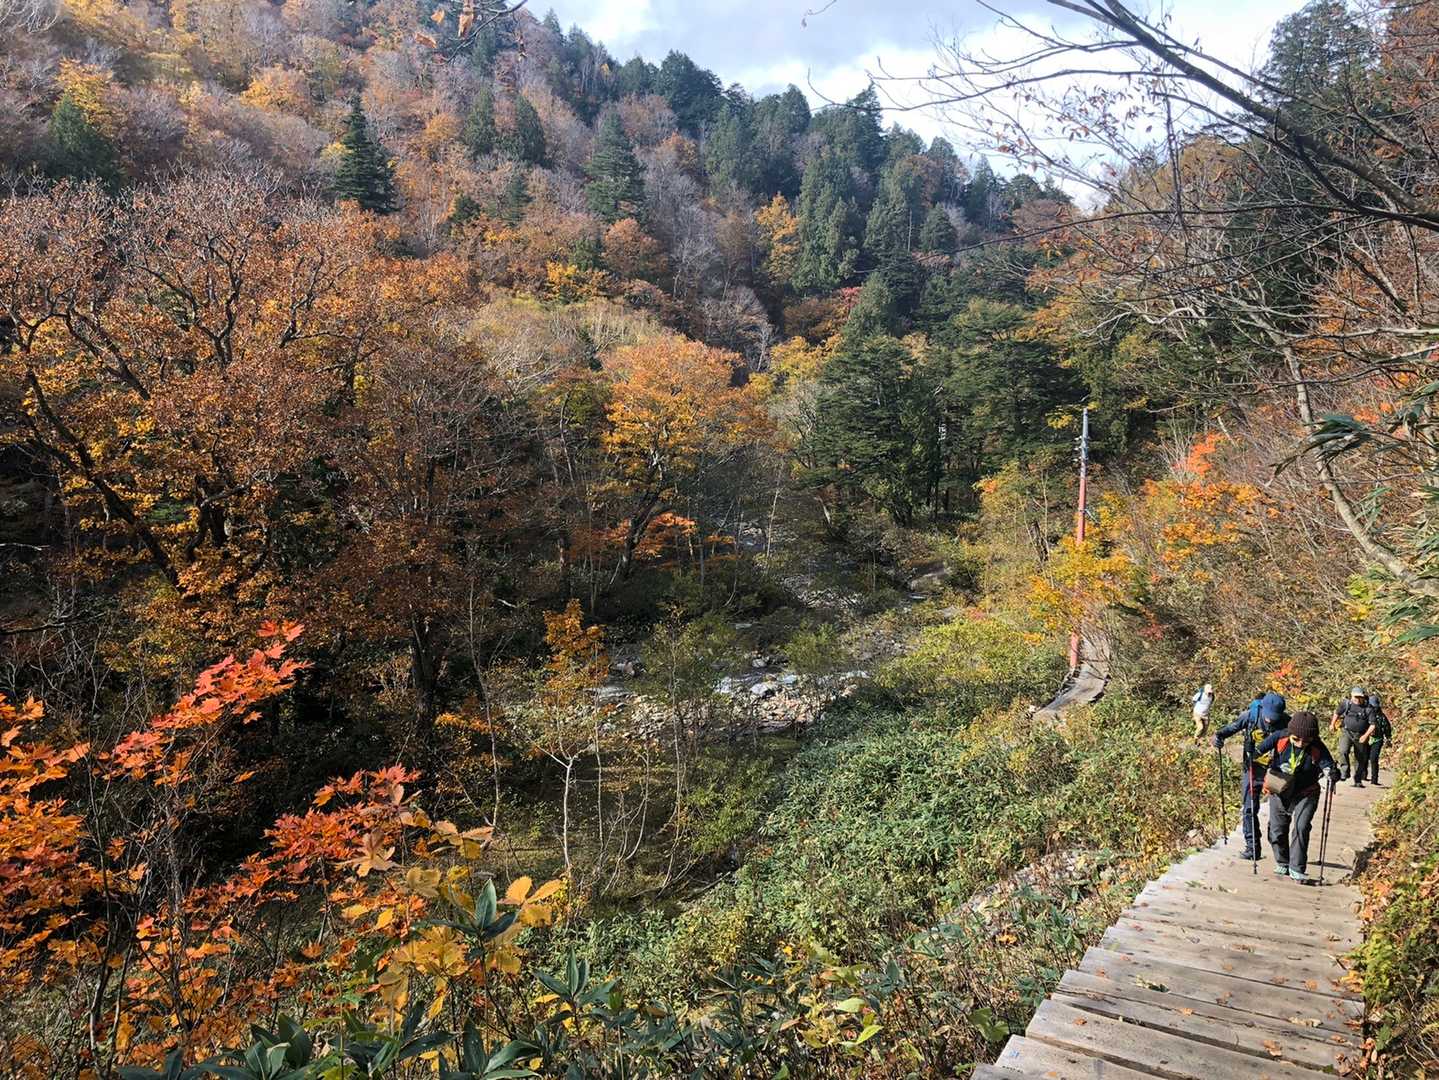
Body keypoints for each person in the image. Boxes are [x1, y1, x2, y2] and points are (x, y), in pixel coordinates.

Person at [1255, 711, 1337, 884]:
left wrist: (1331, 772)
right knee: (1277, 830)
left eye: (1306, 741)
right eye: (1296, 739)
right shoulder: (1280, 737)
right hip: (1279, 789)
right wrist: (1251, 753)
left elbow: (1328, 764)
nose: (1301, 744)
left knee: (1301, 827)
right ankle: (1282, 862)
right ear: (1290, 733)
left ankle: (1297, 868)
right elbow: (1258, 750)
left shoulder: (1317, 746)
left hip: (1306, 792)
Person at [1213, 691, 1289, 860]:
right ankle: (1252, 847)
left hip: (1276, 771)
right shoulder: (1250, 716)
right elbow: (1230, 728)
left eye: (1274, 717)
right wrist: (1218, 737)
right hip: (1253, 768)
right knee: (1249, 808)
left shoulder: (1286, 722)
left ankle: (1275, 840)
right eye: (1268, 715)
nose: (1270, 719)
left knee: (1278, 810)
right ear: (1262, 707)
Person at [1331, 686, 1377, 787]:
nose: (1358, 699)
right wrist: (1332, 724)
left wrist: (1365, 736)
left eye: (1360, 697)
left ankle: (1357, 780)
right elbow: (1337, 713)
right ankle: (1344, 772)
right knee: (1343, 751)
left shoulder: (1368, 708)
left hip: (1361, 734)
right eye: (1356, 697)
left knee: (1360, 758)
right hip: (1346, 732)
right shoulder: (1346, 704)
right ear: (1351, 696)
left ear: (1363, 697)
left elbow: (1373, 725)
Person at [1367, 693, 1392, 785]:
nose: (1374, 708)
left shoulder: (1382, 716)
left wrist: (1388, 738)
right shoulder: (1364, 713)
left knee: (1373, 758)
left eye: (1375, 706)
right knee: (1363, 757)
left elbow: (1387, 727)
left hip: (1377, 739)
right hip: (1365, 738)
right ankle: (1362, 776)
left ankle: (1374, 779)